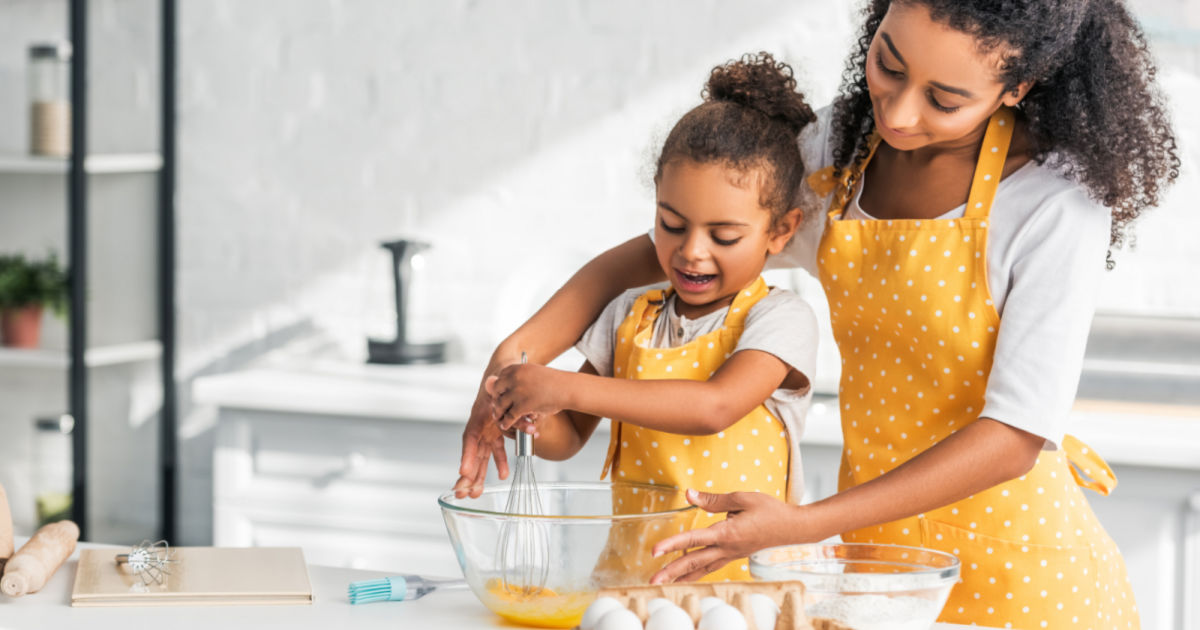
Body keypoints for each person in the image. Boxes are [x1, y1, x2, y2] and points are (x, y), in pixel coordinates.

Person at [456, 0, 1179, 626]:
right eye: (888, 65)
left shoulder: (1053, 202)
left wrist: (800, 527)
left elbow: (1015, 434)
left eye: (945, 98)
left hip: (1023, 577)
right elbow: (672, 248)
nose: (897, 112)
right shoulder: (843, 149)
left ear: (1017, 85)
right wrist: (516, 356)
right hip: (870, 561)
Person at [478, 53, 821, 582]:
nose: (692, 253)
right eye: (671, 224)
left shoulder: (780, 318)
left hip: (743, 585)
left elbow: (715, 406)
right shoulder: (629, 316)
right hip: (629, 579)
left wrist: (563, 387)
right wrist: (530, 413)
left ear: (781, 231)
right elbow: (567, 436)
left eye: (724, 236)